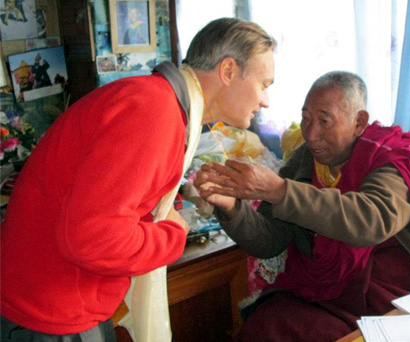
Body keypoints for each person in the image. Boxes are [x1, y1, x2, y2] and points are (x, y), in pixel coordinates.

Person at [0, 17, 276, 341]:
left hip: (57, 298)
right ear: (228, 71)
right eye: (264, 84)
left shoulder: (161, 103)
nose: (266, 100)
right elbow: (91, 239)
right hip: (50, 311)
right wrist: (174, 233)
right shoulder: (154, 112)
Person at [194, 71, 410, 341]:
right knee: (266, 325)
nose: (311, 133)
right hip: (330, 292)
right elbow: (269, 239)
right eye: (305, 118)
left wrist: (280, 190)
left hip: (393, 293)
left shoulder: (388, 158)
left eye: (324, 121)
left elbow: (370, 219)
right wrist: (232, 208)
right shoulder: (305, 160)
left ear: (359, 122)